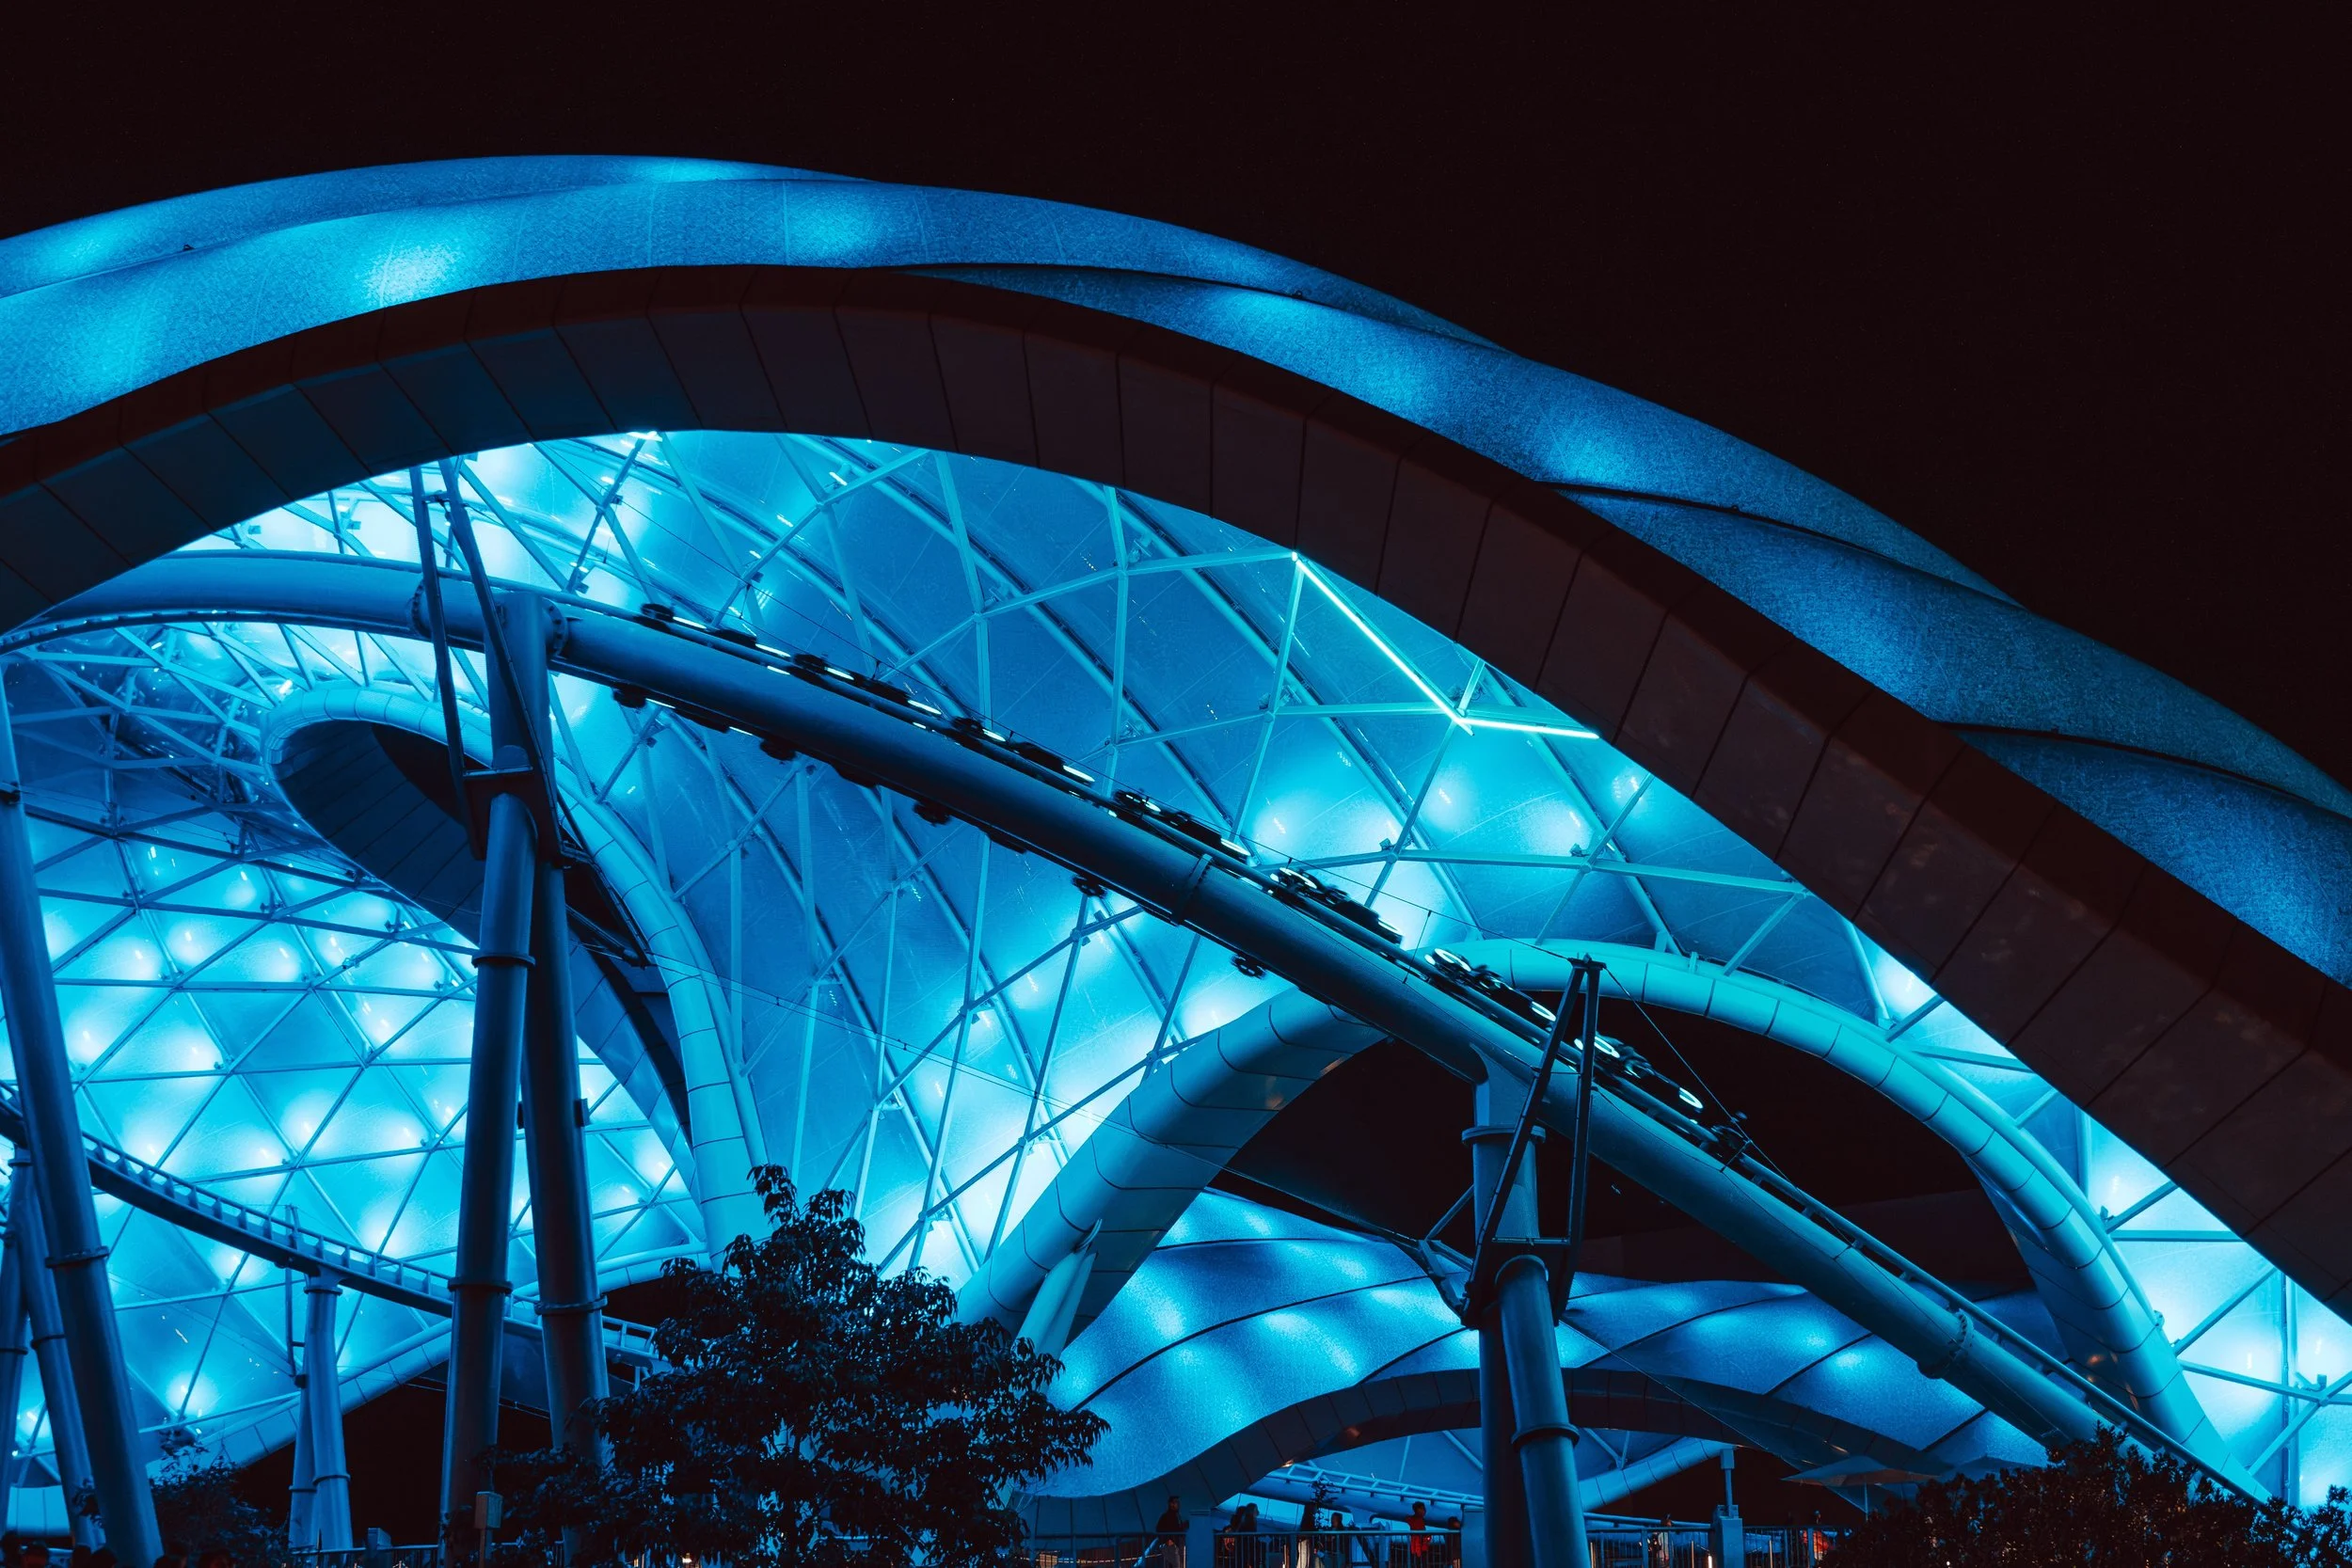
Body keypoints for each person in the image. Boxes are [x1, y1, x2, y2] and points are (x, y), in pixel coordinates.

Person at [1153, 1497, 1186, 1568]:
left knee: (1175, 1564)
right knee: (1175, 1565)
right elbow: (1161, 1529)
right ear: (1171, 1504)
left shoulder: (1174, 1516)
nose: (1178, 1505)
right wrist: (1168, 1542)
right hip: (1170, 1545)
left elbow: (1174, 1529)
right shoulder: (1168, 1516)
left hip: (1173, 1545)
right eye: (1176, 1502)